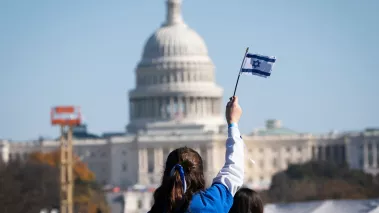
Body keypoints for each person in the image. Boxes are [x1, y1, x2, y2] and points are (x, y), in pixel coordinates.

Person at [148, 96, 245, 213]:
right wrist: (233, 123)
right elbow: (234, 169)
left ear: (166, 173)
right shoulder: (210, 203)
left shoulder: (159, 209)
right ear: (200, 175)